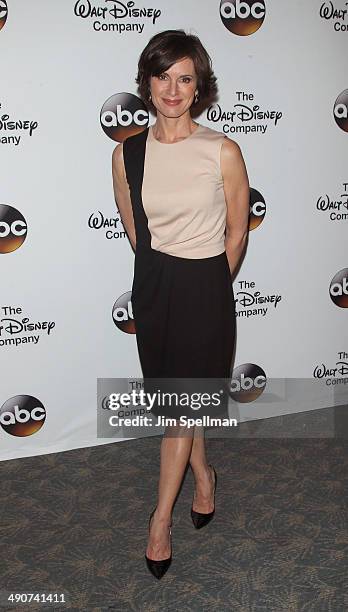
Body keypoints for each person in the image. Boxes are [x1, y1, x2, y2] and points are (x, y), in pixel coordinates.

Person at [112, 29, 250, 579]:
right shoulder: (128, 153)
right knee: (178, 400)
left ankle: (159, 522)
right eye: (163, 76)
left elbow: (237, 234)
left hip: (204, 289)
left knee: (178, 409)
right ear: (148, 83)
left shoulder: (222, 151)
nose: (173, 89)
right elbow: (135, 230)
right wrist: (158, 280)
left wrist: (211, 284)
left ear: (199, 88)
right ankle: (205, 476)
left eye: (185, 78)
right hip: (154, 287)